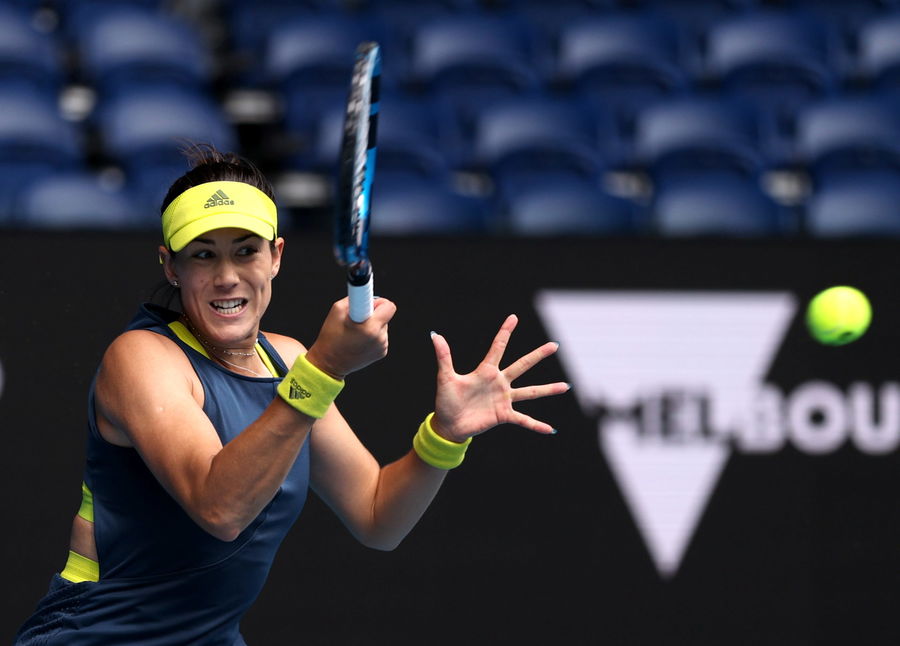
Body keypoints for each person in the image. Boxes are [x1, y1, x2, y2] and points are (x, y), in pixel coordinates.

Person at [14, 145, 568, 645]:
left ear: (275, 256)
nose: (227, 276)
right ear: (170, 266)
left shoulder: (286, 360)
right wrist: (324, 368)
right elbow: (220, 508)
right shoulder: (140, 358)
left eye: (245, 251)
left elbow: (377, 515)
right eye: (203, 255)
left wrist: (444, 436)